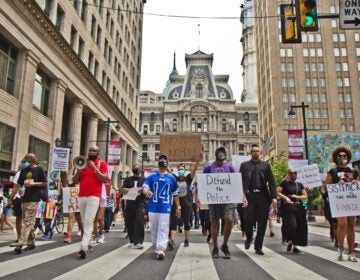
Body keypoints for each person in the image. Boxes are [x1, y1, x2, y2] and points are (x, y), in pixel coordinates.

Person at [323, 145, 359, 262]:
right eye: (340, 155)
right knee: (342, 224)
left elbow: (358, 184)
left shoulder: (353, 171)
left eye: (344, 155)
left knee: (351, 225)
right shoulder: (333, 171)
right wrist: (337, 185)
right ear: (336, 157)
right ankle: (341, 249)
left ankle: (351, 252)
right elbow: (325, 187)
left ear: (348, 157)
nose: (342, 157)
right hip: (339, 202)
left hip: (351, 201)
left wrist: (354, 182)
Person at [141, 154, 180, 260]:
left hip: (165, 207)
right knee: (153, 228)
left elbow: (176, 194)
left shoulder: (171, 178)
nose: (163, 162)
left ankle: (160, 249)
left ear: (167, 163)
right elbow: (144, 187)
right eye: (161, 160)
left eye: (165, 160)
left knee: (163, 227)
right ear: (158, 162)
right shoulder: (152, 176)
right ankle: (157, 244)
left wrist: (178, 207)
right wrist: (147, 192)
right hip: (153, 206)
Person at [72, 146, 108, 259]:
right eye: (90, 150)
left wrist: (94, 168)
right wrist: (78, 171)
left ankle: (83, 247)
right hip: (82, 195)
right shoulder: (82, 163)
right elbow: (75, 181)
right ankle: (90, 243)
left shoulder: (101, 164)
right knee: (83, 221)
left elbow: (104, 179)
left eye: (94, 151)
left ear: (98, 153)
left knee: (88, 221)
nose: (91, 152)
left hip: (94, 196)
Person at [240, 146, 277, 256]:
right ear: (250, 153)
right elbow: (239, 181)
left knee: (262, 222)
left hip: (263, 196)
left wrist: (274, 197)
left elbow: (271, 182)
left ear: (260, 153)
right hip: (249, 196)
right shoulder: (244, 166)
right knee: (248, 220)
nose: (255, 153)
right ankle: (249, 237)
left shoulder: (265, 165)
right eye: (253, 151)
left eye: (257, 151)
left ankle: (258, 246)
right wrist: (242, 196)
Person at [203, 147, 238, 259]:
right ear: (216, 154)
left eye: (224, 154)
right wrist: (201, 198)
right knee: (214, 221)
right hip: (213, 199)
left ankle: (225, 244)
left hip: (227, 199)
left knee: (229, 219)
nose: (222, 156)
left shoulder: (230, 167)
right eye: (220, 154)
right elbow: (203, 183)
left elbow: (235, 183)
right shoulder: (208, 167)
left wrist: (240, 196)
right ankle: (215, 247)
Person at [14, 153, 48, 254]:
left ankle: (20, 243)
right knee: (27, 221)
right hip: (24, 198)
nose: (25, 160)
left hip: (34, 198)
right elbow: (19, 184)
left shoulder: (39, 169)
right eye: (25, 158)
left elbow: (45, 182)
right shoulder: (24, 171)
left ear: (33, 159)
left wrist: (34, 183)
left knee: (28, 221)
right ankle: (31, 242)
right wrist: (19, 190)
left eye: (27, 158)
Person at [168, 153, 201, 249]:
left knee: (187, 223)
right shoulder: (174, 179)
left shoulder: (188, 179)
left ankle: (186, 240)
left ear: (185, 171)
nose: (180, 171)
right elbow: (168, 170)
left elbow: (194, 169)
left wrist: (198, 160)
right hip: (176, 204)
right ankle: (172, 241)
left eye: (182, 170)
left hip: (187, 204)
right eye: (179, 170)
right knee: (174, 222)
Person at [277, 169, 308, 254]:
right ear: (288, 174)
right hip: (288, 208)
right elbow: (278, 192)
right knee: (292, 225)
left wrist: (297, 196)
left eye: (295, 173)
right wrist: (286, 198)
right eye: (291, 173)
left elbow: (305, 196)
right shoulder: (284, 183)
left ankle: (294, 245)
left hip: (298, 207)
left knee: (298, 227)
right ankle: (289, 240)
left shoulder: (299, 184)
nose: (293, 175)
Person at [122, 164, 146, 249]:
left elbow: (145, 190)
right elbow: (124, 190)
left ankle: (139, 241)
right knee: (130, 222)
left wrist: (139, 191)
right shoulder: (128, 180)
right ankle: (132, 240)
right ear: (132, 169)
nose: (136, 169)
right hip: (130, 204)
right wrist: (136, 190)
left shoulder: (144, 180)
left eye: (138, 168)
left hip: (140, 204)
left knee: (139, 221)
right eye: (135, 168)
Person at [8, 163, 26, 246]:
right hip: (19, 198)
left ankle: (22, 237)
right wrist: (11, 199)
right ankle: (19, 237)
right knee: (19, 218)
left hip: (28, 199)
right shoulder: (18, 174)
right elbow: (15, 187)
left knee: (23, 219)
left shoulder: (33, 173)